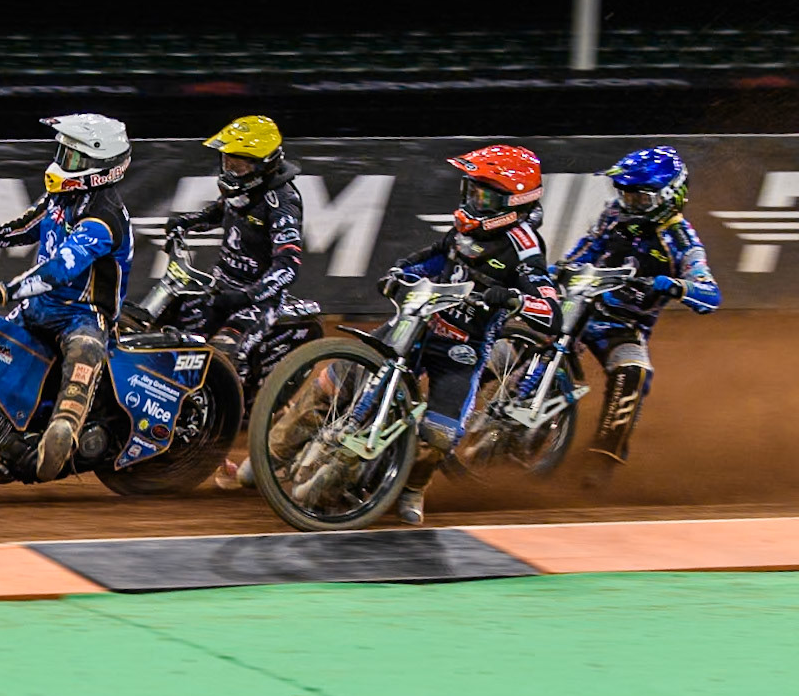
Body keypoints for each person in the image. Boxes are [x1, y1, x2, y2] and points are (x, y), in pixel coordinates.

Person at [267, 145, 563, 524]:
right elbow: (438, 253)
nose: (473, 199)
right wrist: (400, 269)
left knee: (441, 433)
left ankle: (411, 489)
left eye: (484, 194)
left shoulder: (524, 247)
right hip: (419, 323)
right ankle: (271, 454)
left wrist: (511, 298)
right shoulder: (465, 228)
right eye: (471, 189)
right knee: (335, 379)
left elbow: (550, 310)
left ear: (514, 201)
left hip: (462, 346)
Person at [0, 113, 134, 482]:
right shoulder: (63, 196)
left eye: (72, 157)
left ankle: (62, 433)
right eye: (63, 151)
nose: (62, 161)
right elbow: (25, 227)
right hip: (37, 309)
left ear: (99, 166)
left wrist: (2, 290)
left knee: (85, 354)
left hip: (83, 316)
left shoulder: (103, 218)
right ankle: (5, 435)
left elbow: (58, 270)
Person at [558, 145, 720, 487]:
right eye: (625, 195)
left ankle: (602, 460)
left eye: (640, 198)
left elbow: (711, 295)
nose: (629, 203)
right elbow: (583, 252)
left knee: (633, 371)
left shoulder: (680, 238)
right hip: (580, 307)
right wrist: (557, 271)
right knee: (523, 331)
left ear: (669, 196)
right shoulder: (613, 216)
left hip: (622, 327)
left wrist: (674, 285)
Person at [163, 115, 304, 381]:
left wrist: (248, 296)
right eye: (226, 161)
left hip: (258, 301)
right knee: (175, 336)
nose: (229, 170)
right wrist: (187, 221)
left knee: (223, 355)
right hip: (220, 288)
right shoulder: (240, 190)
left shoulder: (282, 202)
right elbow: (219, 212)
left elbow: (288, 266)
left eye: (237, 165)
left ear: (264, 165)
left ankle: (231, 415)